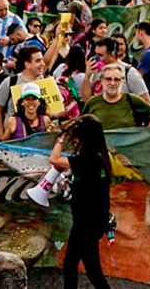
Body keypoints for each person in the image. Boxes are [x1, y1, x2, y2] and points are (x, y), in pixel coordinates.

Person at [49, 115, 112, 289]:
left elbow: (54, 159)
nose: (75, 140)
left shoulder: (88, 159)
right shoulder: (100, 158)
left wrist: (60, 140)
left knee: (70, 264)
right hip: (93, 221)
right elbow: (89, 184)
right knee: (92, 269)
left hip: (86, 223)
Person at [81, 64, 150, 131]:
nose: (112, 83)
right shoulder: (93, 102)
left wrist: (144, 135)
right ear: (102, 81)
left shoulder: (131, 100)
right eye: (108, 79)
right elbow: (81, 126)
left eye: (116, 79)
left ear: (122, 81)